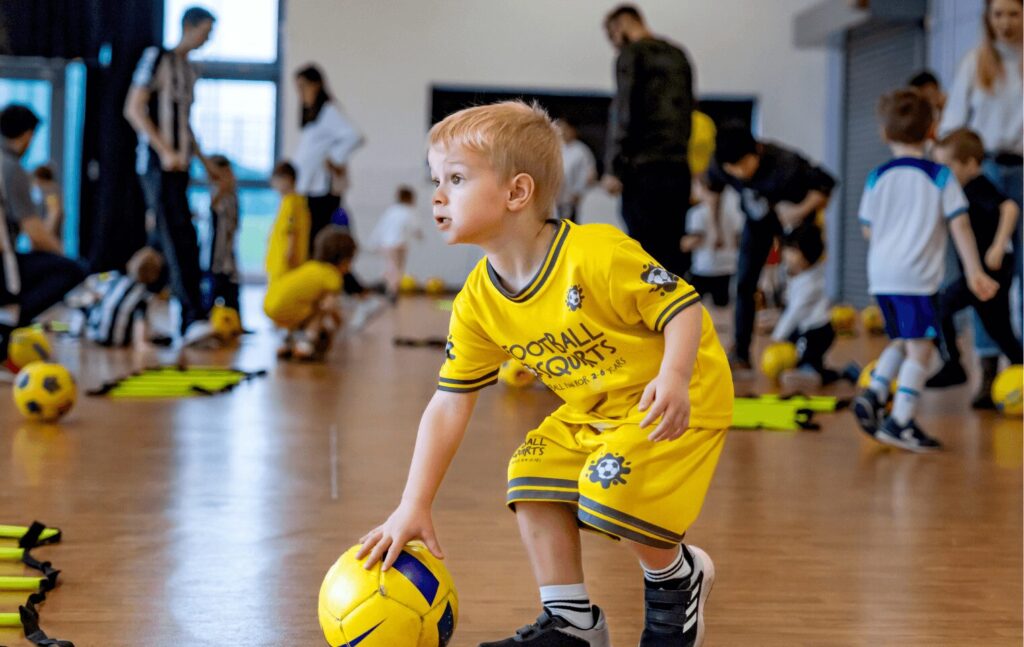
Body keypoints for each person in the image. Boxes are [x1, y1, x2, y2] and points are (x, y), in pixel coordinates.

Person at [356, 102, 732, 647]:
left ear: (516, 193)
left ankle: (676, 577)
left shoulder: (596, 252)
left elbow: (682, 306)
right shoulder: (478, 301)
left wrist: (674, 376)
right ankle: (572, 623)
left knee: (608, 492)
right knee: (529, 476)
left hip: (675, 396)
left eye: (456, 179)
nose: (437, 195)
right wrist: (413, 503)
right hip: (593, 410)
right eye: (436, 179)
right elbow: (449, 402)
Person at [851, 89, 998, 453]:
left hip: (882, 276)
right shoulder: (941, 177)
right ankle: (900, 421)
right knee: (923, 351)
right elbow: (960, 226)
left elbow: (867, 229)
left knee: (902, 339)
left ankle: (875, 390)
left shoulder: (876, 177)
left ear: (884, 134)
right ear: (932, 130)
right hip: (916, 278)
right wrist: (975, 270)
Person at [705, 123, 836, 371]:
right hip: (758, 223)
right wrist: (714, 229)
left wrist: (798, 211)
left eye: (743, 165)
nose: (739, 173)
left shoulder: (786, 163)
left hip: (796, 224)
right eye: (732, 169)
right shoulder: (723, 162)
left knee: (800, 288)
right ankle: (741, 353)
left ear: (757, 151)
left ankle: (803, 352)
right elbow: (713, 190)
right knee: (744, 282)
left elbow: (827, 185)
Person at [124, 5, 217, 346]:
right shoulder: (156, 58)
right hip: (156, 165)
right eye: (206, 31)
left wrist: (206, 164)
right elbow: (134, 108)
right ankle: (193, 318)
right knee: (179, 237)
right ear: (190, 27)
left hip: (179, 166)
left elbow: (187, 124)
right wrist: (164, 150)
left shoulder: (189, 70)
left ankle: (137, 314)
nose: (208, 39)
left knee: (161, 243)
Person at [938, 0, 1024, 370]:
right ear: (988, 19)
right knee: (980, 270)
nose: (1005, 21)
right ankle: (988, 367)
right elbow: (953, 125)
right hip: (984, 167)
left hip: (1021, 168)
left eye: (1014, 13)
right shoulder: (976, 63)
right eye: (998, 14)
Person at [927, 128, 1022, 405]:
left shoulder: (976, 186)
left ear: (970, 164)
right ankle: (1013, 373)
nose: (943, 173)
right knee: (1000, 331)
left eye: (948, 166)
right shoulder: (960, 189)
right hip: (984, 274)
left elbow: (1010, 208)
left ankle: (953, 365)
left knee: (941, 306)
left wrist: (997, 245)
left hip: (987, 274)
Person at [601, 4, 694, 278]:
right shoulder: (679, 55)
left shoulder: (631, 55)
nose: (614, 44)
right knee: (672, 255)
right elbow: (689, 112)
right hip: (678, 170)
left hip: (643, 171)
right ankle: (673, 318)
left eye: (612, 36)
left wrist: (613, 168)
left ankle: (646, 319)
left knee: (643, 255)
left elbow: (623, 112)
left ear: (622, 26)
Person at [0, 104, 86, 368]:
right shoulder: (11, 167)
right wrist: (69, 259)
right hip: (2, 259)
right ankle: (5, 338)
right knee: (71, 270)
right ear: (27, 135)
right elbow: (36, 233)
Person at [771, 222, 857, 391]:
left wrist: (777, 337)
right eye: (787, 249)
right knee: (802, 357)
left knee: (806, 359)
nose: (787, 255)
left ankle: (827, 375)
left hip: (816, 330)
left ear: (807, 254)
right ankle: (831, 371)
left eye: (793, 251)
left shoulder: (811, 283)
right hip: (807, 328)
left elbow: (795, 312)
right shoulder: (802, 274)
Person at [293, 64, 364, 253]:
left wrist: (334, 159)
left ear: (316, 85)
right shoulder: (314, 116)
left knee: (319, 239)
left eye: (303, 86)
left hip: (322, 189)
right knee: (310, 238)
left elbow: (354, 136)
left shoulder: (328, 111)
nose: (300, 93)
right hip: (310, 187)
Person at [263, 225, 356, 361]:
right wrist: (339, 322)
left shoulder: (310, 267)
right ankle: (305, 343)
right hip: (287, 308)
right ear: (344, 260)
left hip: (270, 303)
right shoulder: (332, 275)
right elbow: (329, 305)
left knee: (306, 305)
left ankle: (288, 344)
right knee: (319, 310)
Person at [66, 246, 164, 350]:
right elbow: (140, 328)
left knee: (89, 302)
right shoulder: (145, 296)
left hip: (94, 334)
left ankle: (71, 330)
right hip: (119, 341)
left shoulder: (113, 276)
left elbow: (93, 280)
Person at [681, 180, 742, 308]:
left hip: (704, 267)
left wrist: (685, 243)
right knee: (723, 308)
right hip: (728, 266)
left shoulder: (696, 213)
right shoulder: (733, 212)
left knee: (694, 307)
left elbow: (692, 241)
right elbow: (738, 241)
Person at [370, 185, 422, 302]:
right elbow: (415, 228)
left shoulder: (391, 211)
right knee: (397, 268)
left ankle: (387, 285)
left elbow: (381, 227)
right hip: (401, 244)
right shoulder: (409, 211)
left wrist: (374, 242)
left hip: (387, 244)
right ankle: (391, 289)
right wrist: (419, 236)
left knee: (391, 266)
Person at [203, 154, 240, 313]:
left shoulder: (233, 197)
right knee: (214, 289)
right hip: (216, 256)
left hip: (229, 253)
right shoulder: (214, 196)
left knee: (232, 289)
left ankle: (234, 321)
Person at [266, 161, 311, 283]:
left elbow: (291, 229)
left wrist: (289, 253)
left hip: (285, 262)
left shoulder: (292, 202)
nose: (274, 185)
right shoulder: (291, 201)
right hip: (284, 260)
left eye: (276, 180)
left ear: (287, 179)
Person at [554, 118, 596, 222]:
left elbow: (590, 174)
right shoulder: (557, 147)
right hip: (556, 198)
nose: (562, 132)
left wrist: (578, 191)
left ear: (573, 130)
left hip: (573, 199)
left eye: (565, 128)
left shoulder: (581, 150)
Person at [30, 165, 63, 248]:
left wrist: (45, 237)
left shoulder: (50, 190)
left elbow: (54, 212)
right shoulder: (46, 191)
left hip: (48, 241)